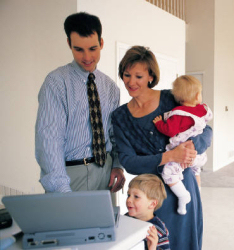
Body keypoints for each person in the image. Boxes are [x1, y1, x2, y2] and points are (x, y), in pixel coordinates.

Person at [112, 46, 212, 250]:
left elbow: (206, 129)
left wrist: (190, 148)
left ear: (150, 76)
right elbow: (128, 161)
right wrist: (169, 156)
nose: (131, 82)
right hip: (149, 197)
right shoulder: (120, 116)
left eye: (138, 76)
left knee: (185, 242)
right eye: (126, 75)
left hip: (183, 186)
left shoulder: (170, 98)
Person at [35, 12, 125, 194]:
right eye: (79, 49)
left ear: (101, 43)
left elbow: (114, 133)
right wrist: (61, 188)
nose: (87, 57)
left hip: (105, 173)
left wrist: (117, 164)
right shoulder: (56, 82)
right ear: (69, 44)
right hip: (69, 176)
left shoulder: (110, 87)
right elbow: (49, 140)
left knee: (104, 223)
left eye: (93, 48)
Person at [153, 75, 213, 215]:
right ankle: (197, 190)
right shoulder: (203, 109)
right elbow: (208, 119)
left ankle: (182, 195)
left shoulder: (178, 114)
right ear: (198, 95)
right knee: (195, 170)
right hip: (199, 155)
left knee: (168, 172)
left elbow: (169, 130)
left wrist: (159, 123)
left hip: (182, 156)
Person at [126, 174, 170, 250]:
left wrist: (152, 248)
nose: (129, 200)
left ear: (152, 204)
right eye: (128, 195)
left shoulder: (158, 230)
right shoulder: (126, 218)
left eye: (136, 196)